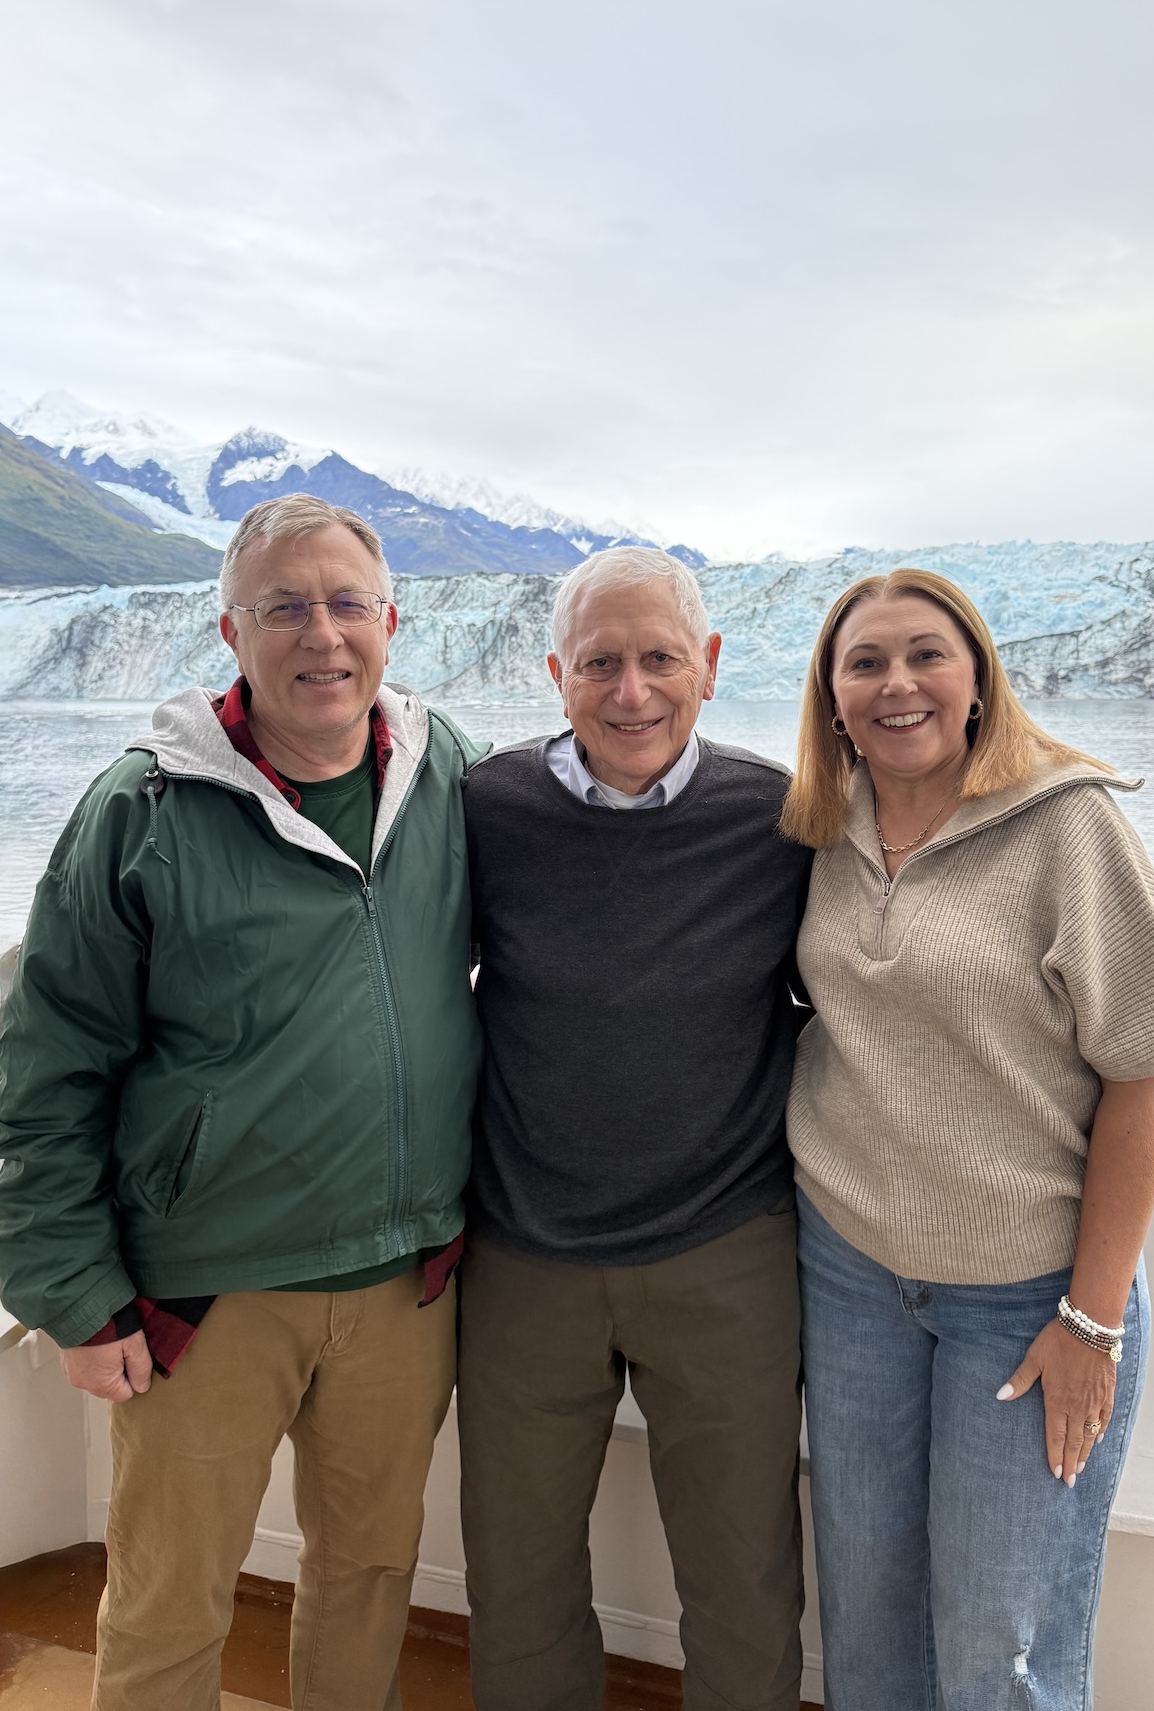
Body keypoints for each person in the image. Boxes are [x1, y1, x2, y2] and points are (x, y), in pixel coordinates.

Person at [0, 493, 483, 1711]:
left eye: (347, 604)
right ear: (231, 632)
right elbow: (49, 1066)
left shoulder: (444, 771)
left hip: (400, 1275)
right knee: (168, 1595)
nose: (323, 635)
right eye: (285, 608)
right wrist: (73, 1295)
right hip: (205, 1288)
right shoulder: (142, 811)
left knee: (367, 1574)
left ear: (391, 621)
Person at [781, 567, 1154, 1711]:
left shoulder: (1068, 825)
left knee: (998, 1645)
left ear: (976, 680)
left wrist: (1090, 1319)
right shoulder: (823, 826)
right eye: (863, 662)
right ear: (830, 697)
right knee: (864, 1621)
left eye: (926, 654)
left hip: (1025, 1299)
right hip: (851, 1272)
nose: (896, 683)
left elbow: (1145, 1074)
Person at [457, 547, 814, 1711]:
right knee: (514, 1577)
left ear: (706, 666)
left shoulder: (777, 818)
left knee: (742, 1580)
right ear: (556, 674)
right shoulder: (485, 808)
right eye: (600, 663)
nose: (631, 691)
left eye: (659, 658)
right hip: (521, 1254)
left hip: (724, 1251)